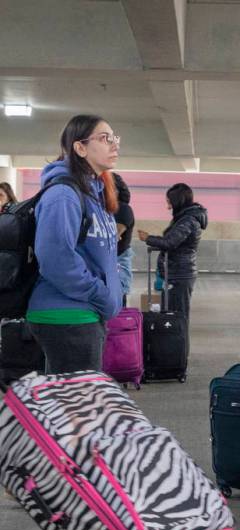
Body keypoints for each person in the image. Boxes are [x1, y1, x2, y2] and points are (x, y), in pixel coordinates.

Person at [26, 114, 121, 373]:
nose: (114, 144)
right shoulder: (63, 195)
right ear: (80, 148)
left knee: (73, 407)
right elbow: (56, 260)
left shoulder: (94, 194)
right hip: (67, 315)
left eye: (115, 138)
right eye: (105, 138)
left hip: (84, 314)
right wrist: (100, 294)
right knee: (77, 409)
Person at [137, 183, 207, 320]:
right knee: (172, 315)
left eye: (170, 202)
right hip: (177, 273)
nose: (168, 207)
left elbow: (170, 242)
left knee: (177, 317)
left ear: (178, 202)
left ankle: (178, 341)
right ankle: (173, 341)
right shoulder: (185, 219)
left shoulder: (188, 221)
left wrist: (148, 238)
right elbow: (172, 241)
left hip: (180, 275)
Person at [112, 173, 135, 307]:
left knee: (117, 305)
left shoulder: (123, 209)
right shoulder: (101, 210)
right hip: (108, 262)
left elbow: (112, 237)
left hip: (117, 262)